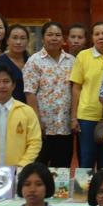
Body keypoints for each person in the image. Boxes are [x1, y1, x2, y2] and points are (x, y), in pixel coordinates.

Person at [70, 21, 103, 170]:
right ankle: (84, 187)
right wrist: (73, 117)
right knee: (87, 160)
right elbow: (76, 88)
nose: (101, 37)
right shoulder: (83, 56)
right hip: (87, 116)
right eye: (97, 34)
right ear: (92, 37)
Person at [23, 21, 76, 167]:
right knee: (39, 167)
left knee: (62, 169)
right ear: (42, 38)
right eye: (50, 35)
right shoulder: (34, 61)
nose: (54, 38)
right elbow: (30, 93)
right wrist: (37, 121)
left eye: (58, 35)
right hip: (44, 126)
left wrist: (73, 118)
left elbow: (76, 90)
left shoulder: (72, 61)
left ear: (63, 39)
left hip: (65, 126)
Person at [0, 23, 31, 104]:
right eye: (15, 38)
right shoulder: (1, 62)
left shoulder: (32, 61)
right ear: (7, 40)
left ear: (28, 41)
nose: (18, 42)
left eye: (22, 38)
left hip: (30, 107)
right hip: (8, 106)